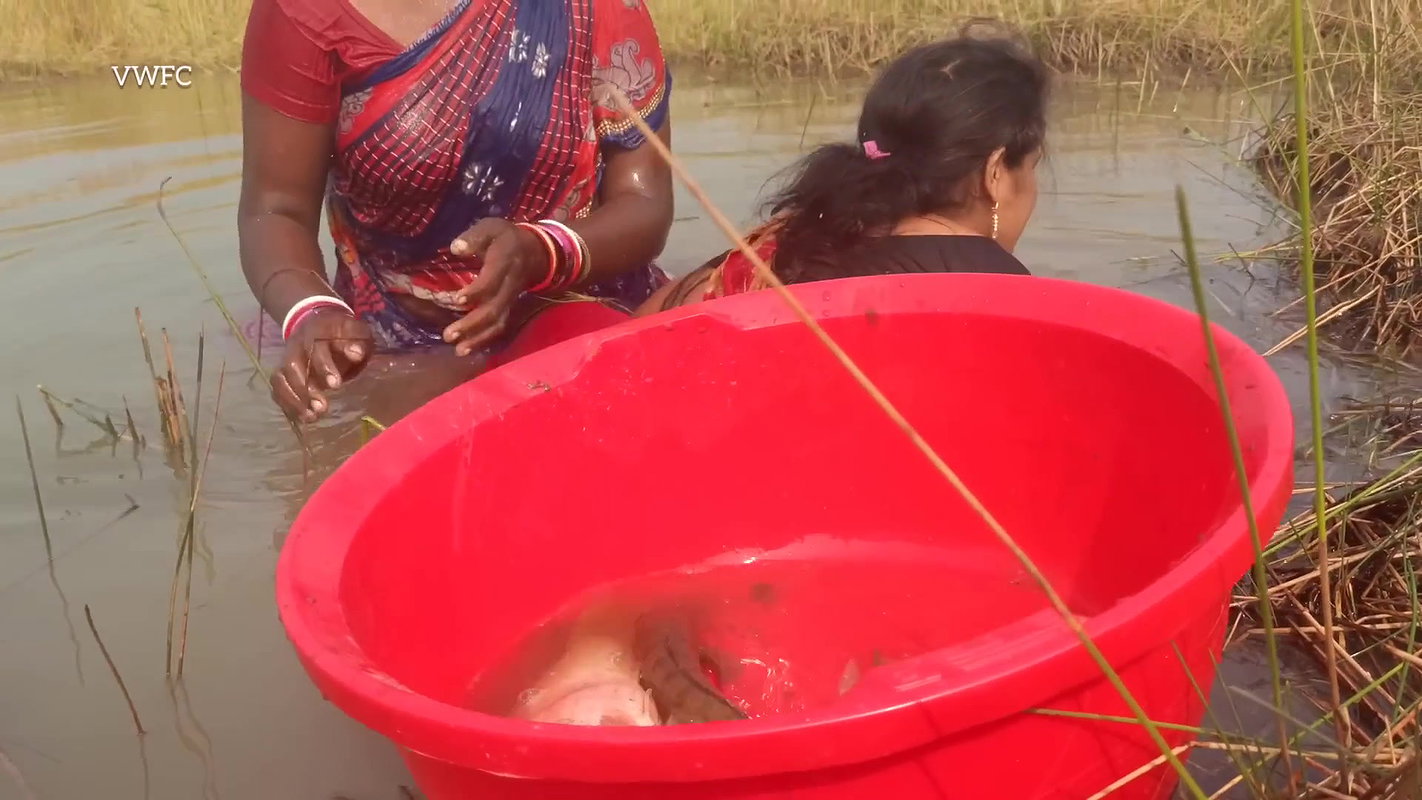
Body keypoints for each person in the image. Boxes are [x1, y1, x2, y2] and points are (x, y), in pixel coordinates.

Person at [237, 0, 675, 424]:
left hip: (588, 317)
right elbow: (276, 210)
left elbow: (644, 200)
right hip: (402, 351)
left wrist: (541, 252)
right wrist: (312, 312)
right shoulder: (304, 11)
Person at [636, 26, 1048, 315]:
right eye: (1030, 168)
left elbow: (644, 327)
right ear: (995, 173)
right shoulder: (998, 288)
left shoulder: (788, 243)